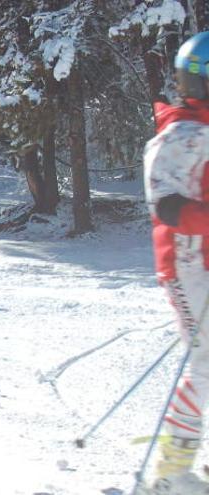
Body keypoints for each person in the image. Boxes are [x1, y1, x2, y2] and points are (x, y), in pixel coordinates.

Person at [143, 31, 209, 495]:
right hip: (186, 266)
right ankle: (170, 470)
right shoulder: (180, 133)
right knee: (207, 366)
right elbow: (164, 204)